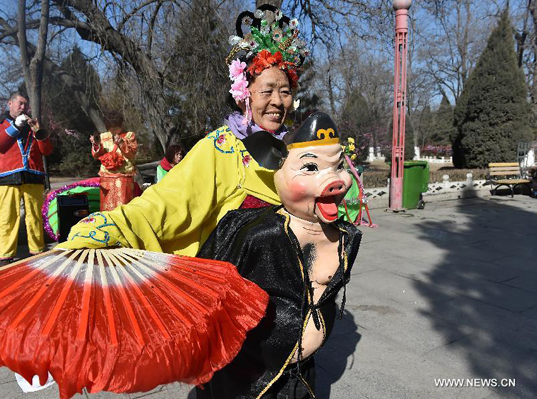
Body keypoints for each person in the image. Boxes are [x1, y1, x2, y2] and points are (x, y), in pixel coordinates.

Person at [57, 4, 309, 255]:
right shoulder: (222, 148)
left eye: (285, 91)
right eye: (266, 91)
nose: (277, 101)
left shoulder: (298, 150)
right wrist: (113, 225)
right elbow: (169, 201)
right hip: (242, 286)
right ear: (243, 95)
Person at [196, 113, 362, 398]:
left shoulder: (347, 237)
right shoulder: (258, 235)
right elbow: (211, 295)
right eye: (310, 167)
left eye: (337, 166)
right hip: (249, 379)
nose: (333, 180)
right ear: (276, 164)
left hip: (302, 373)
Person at [0, 92, 52, 266]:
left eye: (26, 104)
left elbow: (46, 150)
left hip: (33, 174)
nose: (24, 107)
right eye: (20, 104)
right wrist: (15, 126)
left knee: (35, 216)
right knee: (8, 216)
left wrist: (39, 131)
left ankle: (37, 250)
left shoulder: (33, 123)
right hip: (8, 175)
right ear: (10, 103)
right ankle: (6, 255)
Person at [90, 110, 140, 211]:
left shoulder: (129, 135)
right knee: (106, 206)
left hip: (123, 176)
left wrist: (121, 143)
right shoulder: (103, 136)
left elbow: (132, 154)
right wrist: (96, 145)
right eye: (111, 128)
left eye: (116, 128)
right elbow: (97, 155)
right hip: (106, 177)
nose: (113, 131)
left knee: (123, 205)